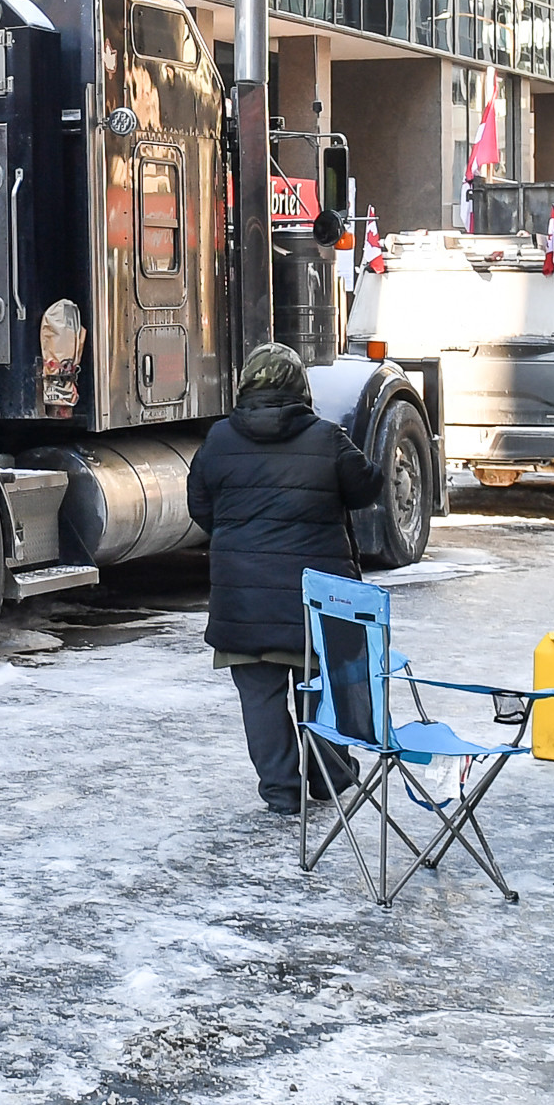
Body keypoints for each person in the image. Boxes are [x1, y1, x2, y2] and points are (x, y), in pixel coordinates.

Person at [186, 342, 380, 814]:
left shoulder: (218, 440)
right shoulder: (327, 438)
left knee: (261, 699)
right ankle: (332, 777)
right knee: (321, 688)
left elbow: (200, 507)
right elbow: (367, 486)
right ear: (301, 389)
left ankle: (281, 790)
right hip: (317, 601)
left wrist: (242, 537)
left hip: (244, 602)